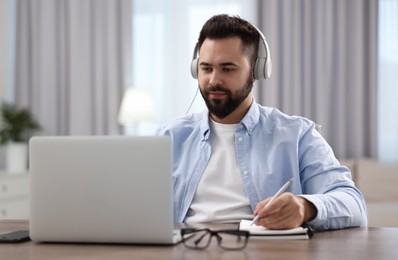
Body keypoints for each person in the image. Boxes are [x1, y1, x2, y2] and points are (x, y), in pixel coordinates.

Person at [156, 14, 367, 231]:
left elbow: (353, 204)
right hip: (187, 249)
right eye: (206, 68)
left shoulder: (297, 135)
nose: (214, 80)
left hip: (263, 250)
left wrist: (305, 207)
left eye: (227, 69)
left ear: (257, 72)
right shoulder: (169, 137)